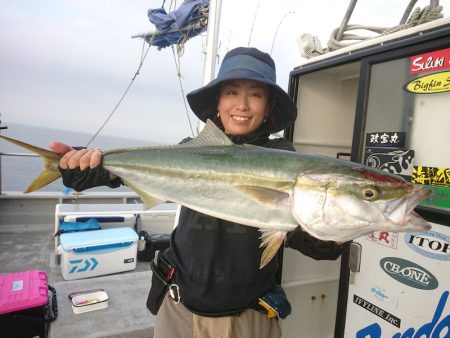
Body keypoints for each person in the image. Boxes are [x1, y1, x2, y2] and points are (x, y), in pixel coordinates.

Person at [50, 47, 347, 338]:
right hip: (179, 307)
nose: (242, 104)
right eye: (231, 92)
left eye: (255, 94)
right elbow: (132, 173)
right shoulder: (193, 151)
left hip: (247, 318)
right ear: (217, 101)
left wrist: (336, 229)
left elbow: (310, 238)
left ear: (268, 107)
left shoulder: (281, 156)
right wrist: (87, 168)